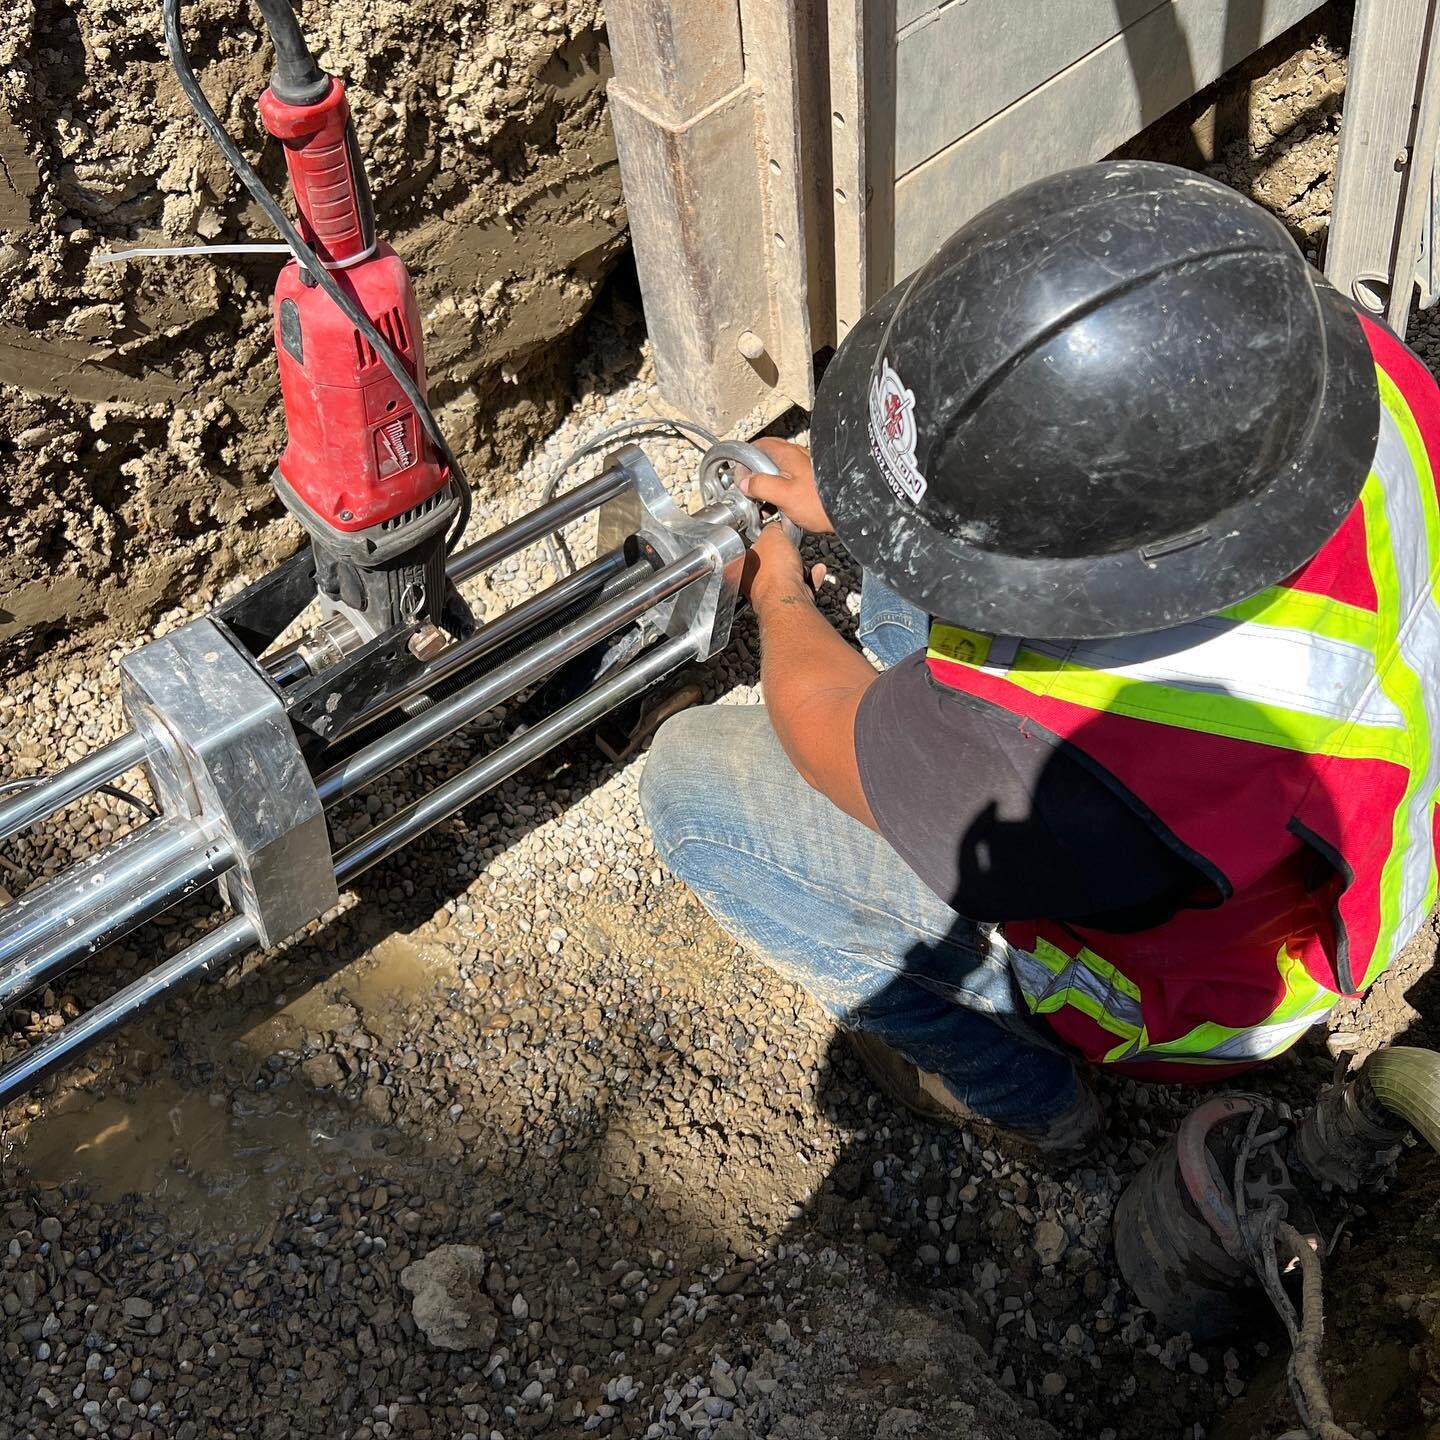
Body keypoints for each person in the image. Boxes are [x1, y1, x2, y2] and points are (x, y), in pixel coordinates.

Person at [638, 160, 1440, 1155]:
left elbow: (819, 725)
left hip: (1201, 994)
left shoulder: (1092, 762)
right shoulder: (1344, 370)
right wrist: (864, 496)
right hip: (1313, 849)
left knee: (688, 788)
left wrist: (781, 588)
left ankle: (1022, 1095)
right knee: (922, 565)